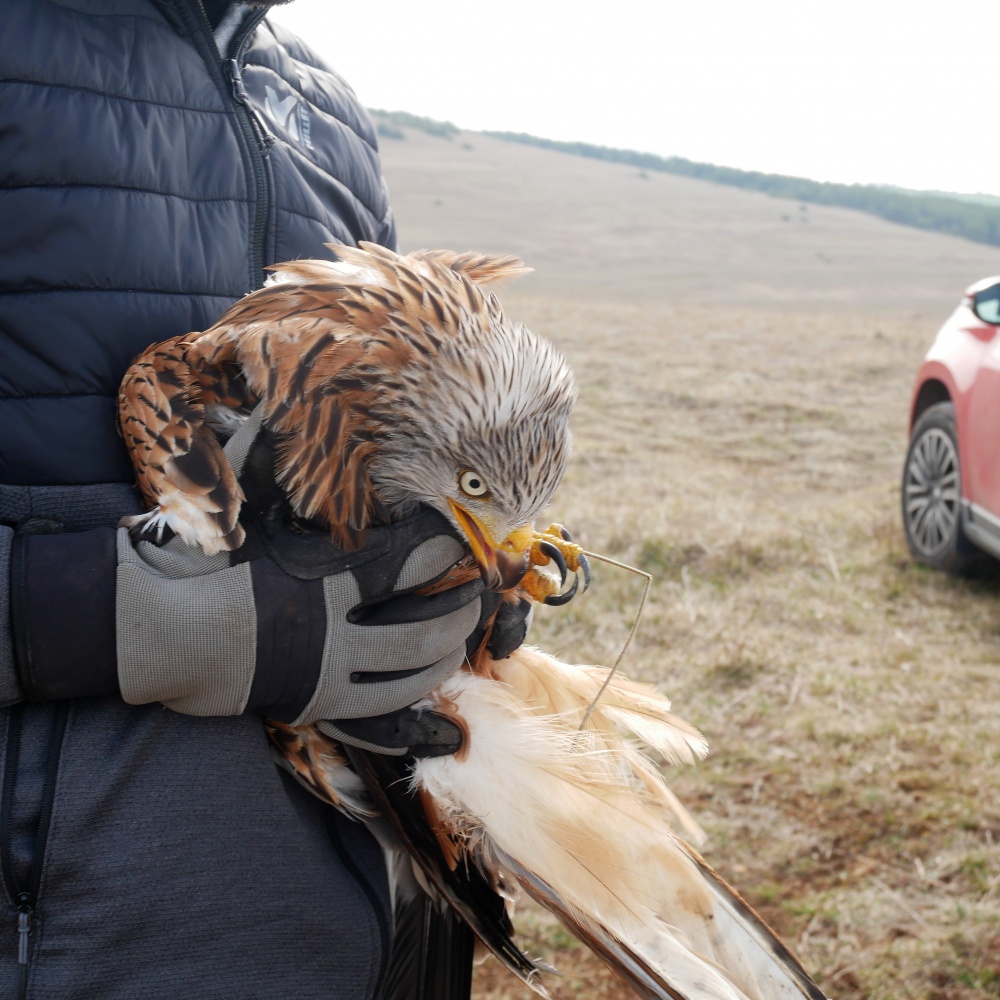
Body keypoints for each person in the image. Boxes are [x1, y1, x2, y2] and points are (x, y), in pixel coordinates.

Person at [0, 1, 527, 996]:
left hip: (346, 920)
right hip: (77, 943)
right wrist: (114, 618)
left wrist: (457, 581)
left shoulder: (324, 108)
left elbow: (371, 450)